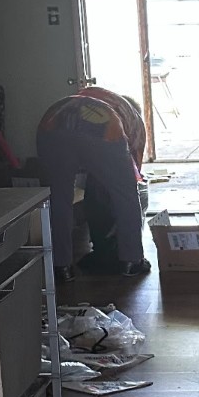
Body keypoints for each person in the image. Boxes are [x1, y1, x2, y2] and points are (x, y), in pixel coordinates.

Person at [36, 88, 151, 277]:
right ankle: (132, 260)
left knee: (59, 198)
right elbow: (133, 176)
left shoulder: (95, 96)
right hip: (102, 127)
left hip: (51, 122)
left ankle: (61, 267)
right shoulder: (134, 120)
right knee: (127, 195)